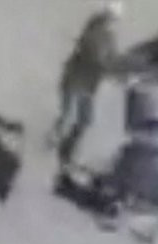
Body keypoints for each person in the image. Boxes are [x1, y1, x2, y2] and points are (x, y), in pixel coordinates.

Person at [49, 2, 125, 168]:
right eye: (114, 18)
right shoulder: (97, 33)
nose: (115, 22)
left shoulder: (102, 31)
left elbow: (112, 58)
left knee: (77, 117)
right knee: (75, 117)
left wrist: (120, 70)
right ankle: (62, 145)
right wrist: (115, 72)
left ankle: (62, 142)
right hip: (79, 81)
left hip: (81, 81)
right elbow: (99, 59)